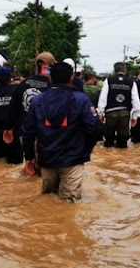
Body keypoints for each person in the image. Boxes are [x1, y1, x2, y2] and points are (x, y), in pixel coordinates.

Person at [21, 62, 101, 202]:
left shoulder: (37, 100)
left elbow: (28, 131)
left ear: (50, 79)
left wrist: (29, 157)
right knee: (68, 205)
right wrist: (85, 149)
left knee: (48, 201)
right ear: (71, 78)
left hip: (46, 158)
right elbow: (94, 129)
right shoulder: (81, 99)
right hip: (73, 159)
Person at [3, 51, 56, 146]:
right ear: (50, 67)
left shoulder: (24, 83)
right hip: (47, 134)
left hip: (26, 133)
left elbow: (13, 107)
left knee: (28, 160)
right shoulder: (53, 86)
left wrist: (8, 127)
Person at [97, 62, 140, 148]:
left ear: (114, 70)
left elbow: (103, 97)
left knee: (108, 140)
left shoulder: (109, 80)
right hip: (125, 113)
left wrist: (100, 113)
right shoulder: (131, 82)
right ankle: (122, 160)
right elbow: (135, 100)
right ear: (125, 70)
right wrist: (135, 116)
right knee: (123, 141)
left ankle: (108, 159)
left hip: (110, 113)